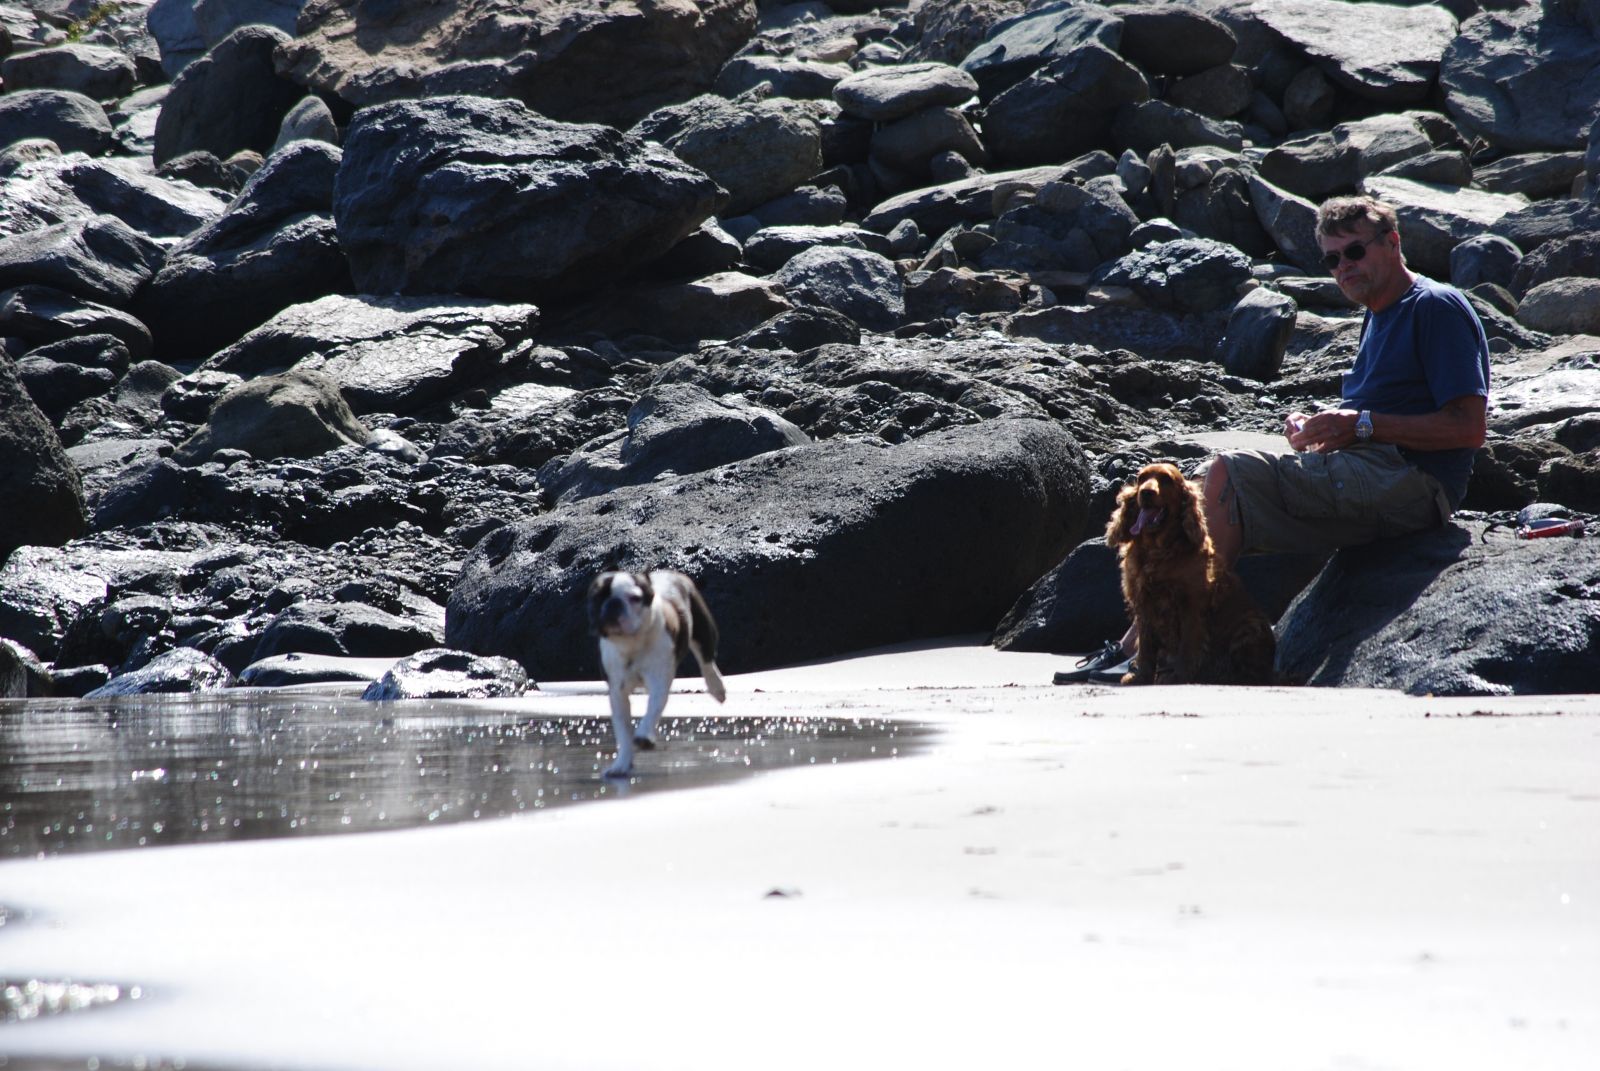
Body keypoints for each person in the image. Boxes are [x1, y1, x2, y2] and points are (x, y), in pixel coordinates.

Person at [1056, 194, 1491, 684]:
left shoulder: (1434, 308)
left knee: (1230, 473)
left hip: (1414, 483)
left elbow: (1468, 428)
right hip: (1373, 471)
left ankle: (1145, 652)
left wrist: (1359, 425)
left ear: (1392, 243)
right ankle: (1163, 648)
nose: (1343, 268)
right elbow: (1374, 418)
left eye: (1354, 252)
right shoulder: (1377, 313)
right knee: (1212, 488)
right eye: (1331, 260)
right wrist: (1321, 432)